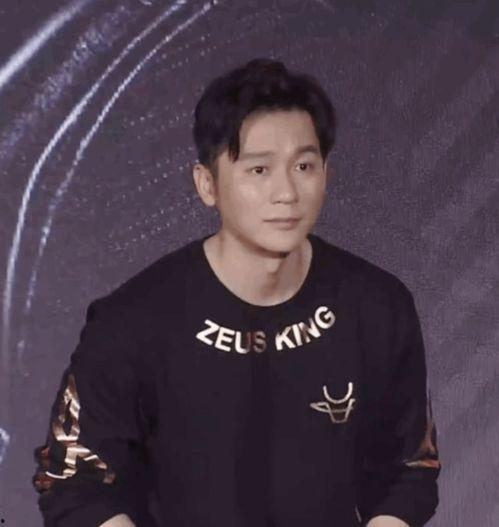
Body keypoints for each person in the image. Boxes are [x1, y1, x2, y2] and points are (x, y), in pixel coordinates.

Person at [32, 57, 441, 527]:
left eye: (304, 165)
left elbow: (409, 470)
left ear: (326, 174)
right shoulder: (132, 321)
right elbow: (73, 482)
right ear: (207, 184)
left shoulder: (377, 307)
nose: (286, 192)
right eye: (259, 170)